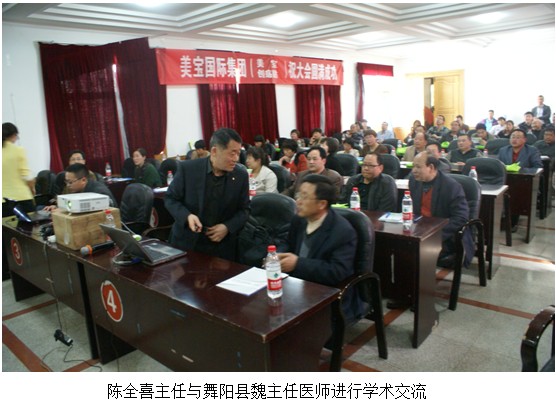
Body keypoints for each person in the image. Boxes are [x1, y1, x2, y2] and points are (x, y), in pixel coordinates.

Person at [277, 174, 361, 321]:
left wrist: (297, 263)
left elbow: (337, 272)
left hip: (326, 293)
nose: (298, 201)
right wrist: (278, 255)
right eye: (298, 195)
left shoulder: (342, 231)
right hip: (296, 285)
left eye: (304, 197)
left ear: (322, 204)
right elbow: (287, 242)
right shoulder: (299, 219)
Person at [165, 128, 249, 262]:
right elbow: (170, 198)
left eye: (238, 153)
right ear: (214, 151)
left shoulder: (241, 175)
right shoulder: (188, 169)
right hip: (188, 242)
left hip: (223, 246)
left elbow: (244, 210)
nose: (236, 159)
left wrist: (227, 227)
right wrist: (187, 216)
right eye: (232, 153)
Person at [410, 151, 471, 268]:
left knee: (417, 254)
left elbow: (461, 218)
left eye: (418, 167)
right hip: (420, 230)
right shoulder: (414, 182)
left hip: (444, 235)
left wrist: (435, 235)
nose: (413, 171)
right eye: (413, 166)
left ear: (431, 167)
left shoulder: (451, 186)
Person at [45, 163, 117, 211]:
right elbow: (73, 206)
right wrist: (58, 208)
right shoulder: (75, 189)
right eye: (66, 182)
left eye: (70, 182)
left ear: (83, 180)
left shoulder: (100, 193)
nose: (68, 185)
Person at [2, 122, 35, 215]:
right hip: (21, 198)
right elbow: (27, 177)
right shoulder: (18, 150)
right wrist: (32, 190)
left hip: (2, 202)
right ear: (13, 135)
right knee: (29, 223)